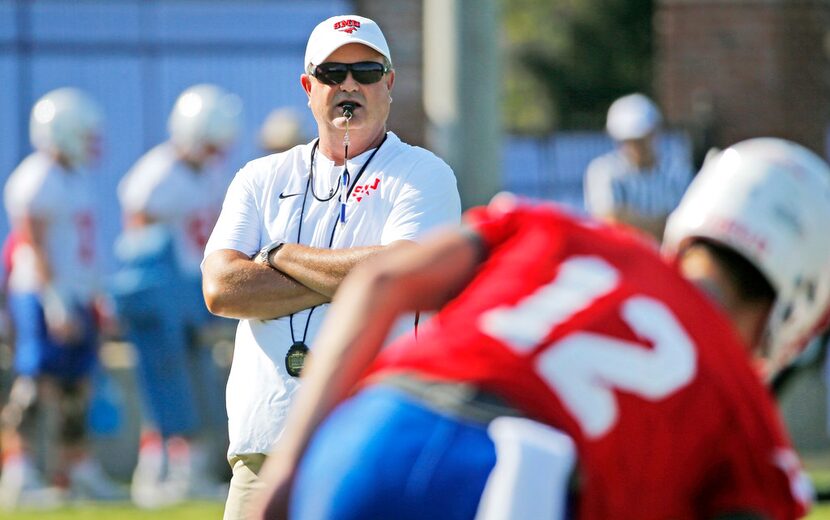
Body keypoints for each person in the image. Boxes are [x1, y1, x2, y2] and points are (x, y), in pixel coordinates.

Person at [255, 137, 830, 520]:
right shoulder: (741, 410)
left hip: (372, 434)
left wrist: (287, 469)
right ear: (798, 303)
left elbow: (381, 281)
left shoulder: (563, 229)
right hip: (516, 486)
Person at [200, 14, 461, 520]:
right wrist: (363, 278)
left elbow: (405, 274)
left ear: (389, 82)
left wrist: (279, 255)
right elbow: (221, 288)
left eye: (365, 71)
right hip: (265, 447)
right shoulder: (259, 176)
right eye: (332, 73)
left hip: (375, 443)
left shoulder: (423, 174)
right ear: (308, 86)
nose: (349, 85)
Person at [113, 83, 241, 507]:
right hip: (165, 288)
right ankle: (156, 470)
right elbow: (138, 234)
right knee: (165, 378)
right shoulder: (159, 172)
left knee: (198, 377)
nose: (213, 152)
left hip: (192, 287)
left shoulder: (207, 172)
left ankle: (188, 470)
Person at [0, 87, 125, 507]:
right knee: (36, 383)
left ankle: (75, 468)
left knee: (77, 386)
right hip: (40, 294)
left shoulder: (75, 178)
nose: (90, 141)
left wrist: (97, 298)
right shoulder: (35, 179)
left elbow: (82, 249)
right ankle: (19, 469)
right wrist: (55, 302)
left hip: (75, 295)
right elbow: (30, 245)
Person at [583, 93, 692, 241]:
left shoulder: (678, 172)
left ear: (655, 132)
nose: (636, 146)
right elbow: (609, 220)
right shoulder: (603, 171)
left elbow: (690, 222)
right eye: (629, 140)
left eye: (641, 138)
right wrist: (663, 223)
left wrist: (628, 218)